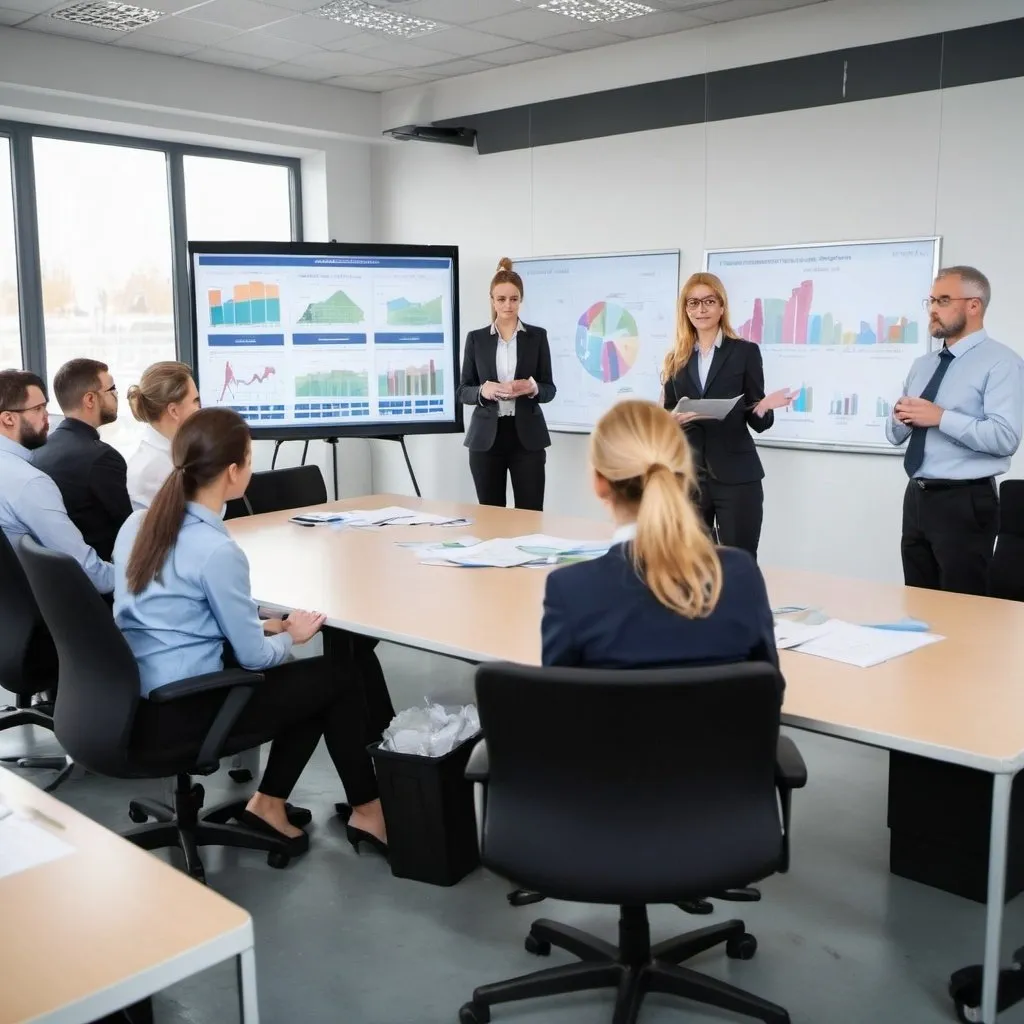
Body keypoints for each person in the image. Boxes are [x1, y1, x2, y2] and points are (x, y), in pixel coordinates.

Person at [113, 407, 390, 856]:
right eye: (250, 459)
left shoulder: (139, 524)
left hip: (137, 694)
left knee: (313, 681)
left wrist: (264, 624)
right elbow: (255, 659)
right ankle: (366, 811)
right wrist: (291, 634)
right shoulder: (217, 550)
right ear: (232, 472)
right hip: (184, 707)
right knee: (337, 678)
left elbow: (180, 615)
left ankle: (272, 804)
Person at [541, 398, 779, 690]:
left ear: (599, 483)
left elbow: (557, 713)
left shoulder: (571, 591)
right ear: (683, 475)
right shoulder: (740, 576)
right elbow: (768, 696)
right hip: (719, 735)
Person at [887, 265, 1024, 595]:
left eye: (944, 300)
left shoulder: (1002, 363)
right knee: (919, 602)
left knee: (965, 611)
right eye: (932, 299)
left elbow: (1005, 438)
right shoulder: (924, 365)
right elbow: (894, 436)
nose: (933, 308)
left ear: (973, 306)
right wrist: (899, 416)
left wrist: (941, 417)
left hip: (965, 501)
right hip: (917, 496)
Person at [661, 272, 792, 559]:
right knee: (689, 564)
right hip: (689, 476)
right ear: (685, 309)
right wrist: (669, 421)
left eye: (709, 301)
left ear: (722, 306)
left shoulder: (744, 352)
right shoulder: (675, 358)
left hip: (737, 476)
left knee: (739, 563)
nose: (701, 309)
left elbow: (757, 420)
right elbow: (666, 415)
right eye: (693, 303)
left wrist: (763, 407)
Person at [0, 369, 113, 594]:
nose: (46, 416)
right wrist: (142, 578)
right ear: (8, 418)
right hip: (42, 612)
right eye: (37, 408)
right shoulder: (30, 483)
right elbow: (88, 571)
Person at [457, 257, 556, 511]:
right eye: (501, 299)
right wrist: (483, 390)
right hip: (486, 441)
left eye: (514, 299)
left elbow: (549, 389)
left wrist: (532, 387)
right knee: (492, 517)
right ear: (492, 300)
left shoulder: (537, 337)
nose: (508, 305)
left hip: (527, 439)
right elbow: (462, 391)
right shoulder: (476, 339)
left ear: (520, 299)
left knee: (530, 515)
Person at [31, 358, 132, 561]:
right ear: (90, 400)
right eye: (112, 389)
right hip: (105, 578)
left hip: (63, 581)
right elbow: (130, 531)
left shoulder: (39, 450)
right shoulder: (102, 457)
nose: (116, 396)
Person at [125, 361, 200, 510]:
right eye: (195, 401)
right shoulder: (154, 469)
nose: (199, 409)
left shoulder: (171, 453)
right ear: (173, 411)